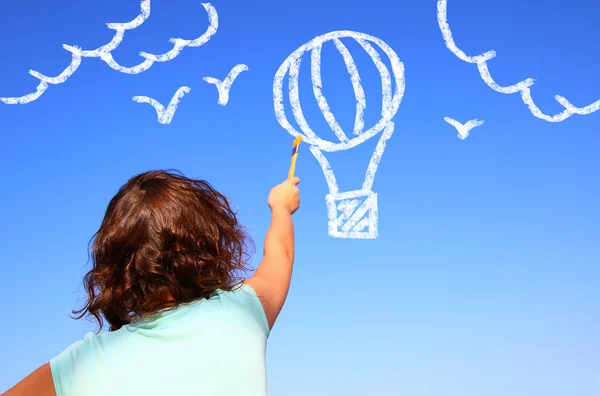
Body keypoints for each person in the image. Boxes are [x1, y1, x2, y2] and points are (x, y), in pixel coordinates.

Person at [2, 170, 301, 396]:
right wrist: (280, 207)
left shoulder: (81, 363)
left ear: (114, 266)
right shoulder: (241, 312)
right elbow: (281, 254)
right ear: (206, 244)